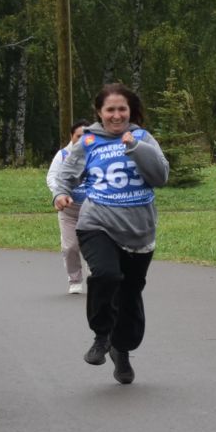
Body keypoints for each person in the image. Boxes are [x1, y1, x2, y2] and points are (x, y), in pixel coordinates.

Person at [55, 85, 168, 385]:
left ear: (130, 111)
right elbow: (66, 175)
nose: (116, 115)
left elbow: (161, 176)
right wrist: (61, 194)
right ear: (100, 113)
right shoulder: (88, 141)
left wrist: (135, 147)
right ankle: (101, 336)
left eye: (122, 109)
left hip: (139, 229)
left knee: (130, 294)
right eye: (110, 110)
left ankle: (122, 350)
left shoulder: (142, 138)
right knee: (106, 275)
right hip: (97, 222)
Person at [45, 122, 91, 294]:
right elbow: (52, 177)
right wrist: (59, 195)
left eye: (85, 136)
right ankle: (75, 280)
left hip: (93, 210)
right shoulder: (63, 155)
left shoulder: (96, 154)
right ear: (72, 136)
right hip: (69, 211)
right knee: (70, 247)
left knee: (95, 245)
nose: (82, 140)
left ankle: (95, 274)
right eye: (78, 136)